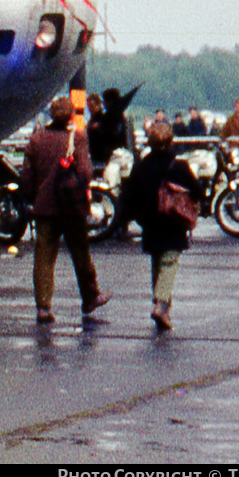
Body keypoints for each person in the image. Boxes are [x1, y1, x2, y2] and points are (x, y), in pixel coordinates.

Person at [20, 96, 111, 324]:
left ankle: (43, 307)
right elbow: (85, 172)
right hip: (71, 207)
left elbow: (27, 177)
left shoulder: (36, 139)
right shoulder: (77, 137)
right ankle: (90, 297)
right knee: (80, 252)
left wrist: (34, 197)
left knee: (44, 258)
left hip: (44, 208)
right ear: (71, 116)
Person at [124, 122, 201, 332]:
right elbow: (197, 191)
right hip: (174, 221)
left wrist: (137, 217)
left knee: (157, 260)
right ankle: (162, 302)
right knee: (169, 261)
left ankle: (161, 301)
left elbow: (129, 197)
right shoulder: (180, 166)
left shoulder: (140, 167)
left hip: (149, 222)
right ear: (170, 142)